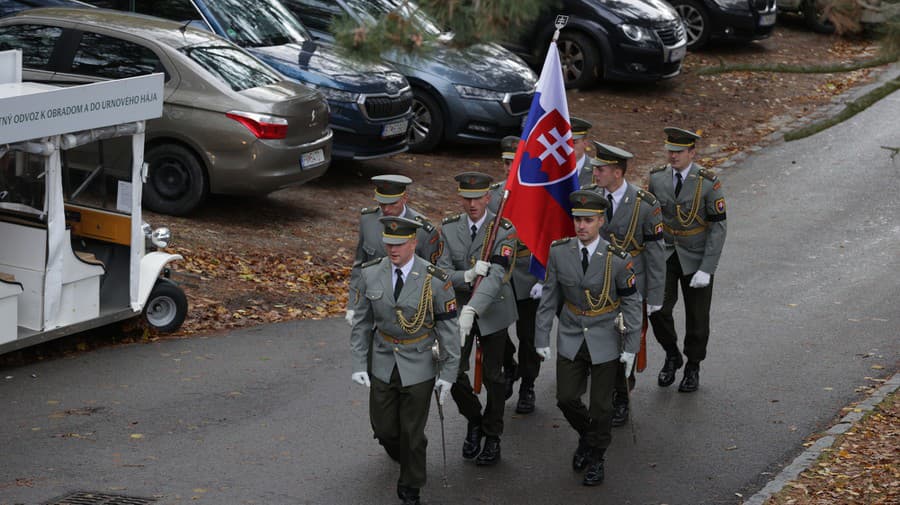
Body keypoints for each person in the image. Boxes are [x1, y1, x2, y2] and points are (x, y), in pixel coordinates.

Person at [349, 216, 460, 505]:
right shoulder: (372, 273)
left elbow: (449, 329)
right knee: (383, 428)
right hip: (384, 360)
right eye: (388, 242)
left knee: (412, 430)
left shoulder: (434, 279)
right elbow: (362, 322)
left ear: (413, 243)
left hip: (420, 361)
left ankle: (411, 483)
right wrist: (360, 363)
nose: (392, 248)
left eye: (399, 243)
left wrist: (448, 373)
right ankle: (410, 453)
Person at [534, 190, 641, 486]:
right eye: (578, 220)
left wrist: (632, 347)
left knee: (601, 407)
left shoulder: (618, 260)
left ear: (600, 221)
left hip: (606, 335)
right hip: (571, 333)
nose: (581, 226)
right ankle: (588, 436)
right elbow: (549, 296)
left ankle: (596, 457)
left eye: (588, 220)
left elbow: (632, 303)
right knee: (566, 398)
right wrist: (541, 337)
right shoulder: (559, 251)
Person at [438, 171, 518, 466]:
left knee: (495, 377)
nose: (472, 204)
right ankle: (475, 419)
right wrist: (467, 276)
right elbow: (443, 272)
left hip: (493, 308)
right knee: (453, 371)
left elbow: (498, 275)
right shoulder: (448, 228)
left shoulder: (504, 229)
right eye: (466, 198)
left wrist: (475, 308)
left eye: (478, 198)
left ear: (488, 197)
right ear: (460, 198)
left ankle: (493, 435)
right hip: (458, 308)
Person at [586, 141, 666, 426]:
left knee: (625, 337)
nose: (595, 173)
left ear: (617, 173)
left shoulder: (645, 204)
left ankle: (622, 395)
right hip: (596, 281)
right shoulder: (589, 198)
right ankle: (602, 388)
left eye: (601, 169)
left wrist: (656, 294)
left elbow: (656, 251)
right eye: (595, 168)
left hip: (631, 281)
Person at [647, 127, 727, 393]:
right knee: (657, 309)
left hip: (695, 255)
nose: (673, 156)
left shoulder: (707, 182)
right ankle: (672, 354)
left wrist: (707, 268)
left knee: (697, 317)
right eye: (670, 150)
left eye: (679, 152)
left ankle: (693, 365)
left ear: (692, 152)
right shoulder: (657, 179)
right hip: (667, 253)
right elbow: (653, 218)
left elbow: (718, 227)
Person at [489, 136, 543, 411]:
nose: (510, 167)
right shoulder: (493, 195)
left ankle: (528, 385)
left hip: (528, 273)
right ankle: (510, 365)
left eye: (515, 162)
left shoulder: (538, 192)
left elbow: (550, 235)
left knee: (529, 336)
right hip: (500, 275)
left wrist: (545, 275)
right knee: (496, 330)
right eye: (507, 162)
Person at [346, 175, 442, 326]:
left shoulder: (423, 230)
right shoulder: (368, 220)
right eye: (382, 204)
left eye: (392, 203)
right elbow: (360, 265)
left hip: (409, 310)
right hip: (373, 303)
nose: (386, 209)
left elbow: (433, 276)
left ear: (404, 198)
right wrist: (353, 303)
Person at [570, 117, 595, 189]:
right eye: (566, 142)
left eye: (574, 142)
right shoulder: (553, 169)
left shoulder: (597, 171)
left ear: (585, 143)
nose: (569, 147)